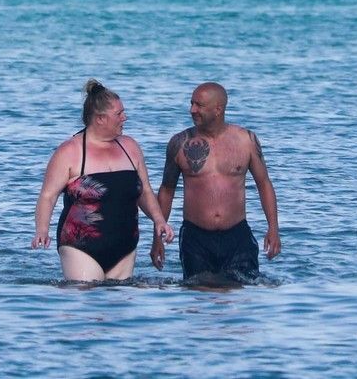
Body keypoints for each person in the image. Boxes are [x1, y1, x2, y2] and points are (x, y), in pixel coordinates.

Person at [33, 80, 175, 281]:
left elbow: (144, 192)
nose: (125, 118)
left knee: (120, 298)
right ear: (100, 118)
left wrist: (159, 220)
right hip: (81, 246)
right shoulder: (70, 151)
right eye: (119, 114)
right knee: (86, 295)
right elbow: (48, 196)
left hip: (125, 245)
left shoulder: (130, 147)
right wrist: (42, 229)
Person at [150, 82, 281, 282]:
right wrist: (156, 239)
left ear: (218, 109)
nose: (192, 110)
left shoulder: (246, 140)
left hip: (237, 234)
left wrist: (273, 228)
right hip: (195, 238)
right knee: (198, 292)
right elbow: (167, 190)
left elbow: (264, 184)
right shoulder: (179, 143)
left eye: (199, 105)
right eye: (191, 103)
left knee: (240, 292)